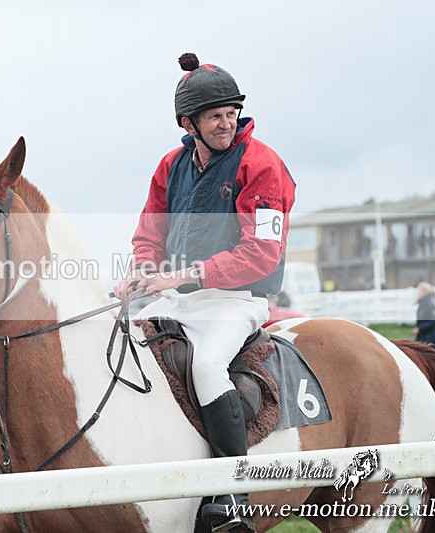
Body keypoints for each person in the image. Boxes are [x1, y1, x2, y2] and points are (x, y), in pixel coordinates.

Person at [114, 52, 296, 532]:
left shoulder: (262, 164)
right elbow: (149, 236)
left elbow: (262, 253)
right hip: (181, 296)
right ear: (188, 122)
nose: (227, 122)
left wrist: (182, 276)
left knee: (206, 364)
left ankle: (233, 496)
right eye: (216, 115)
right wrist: (141, 273)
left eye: (232, 112)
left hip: (241, 299)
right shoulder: (169, 166)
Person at [413, 281, 435, 351]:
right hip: (423, 336)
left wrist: (419, 328)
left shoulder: (429, 305)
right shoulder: (422, 304)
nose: (418, 293)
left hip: (430, 338)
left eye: (419, 291)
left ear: (424, 292)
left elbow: (433, 322)